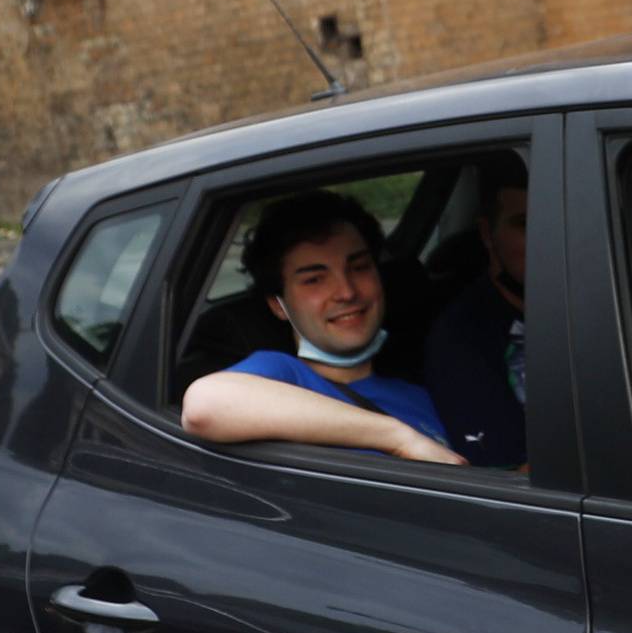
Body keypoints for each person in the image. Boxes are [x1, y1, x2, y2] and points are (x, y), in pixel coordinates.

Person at [182, 191, 462, 465]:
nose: (346, 292)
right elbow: (203, 405)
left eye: (360, 267)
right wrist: (398, 438)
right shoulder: (281, 374)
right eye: (314, 280)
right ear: (278, 305)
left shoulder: (417, 391)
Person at [423, 151, 530, 467]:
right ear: (487, 234)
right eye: (524, 224)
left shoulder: (613, 299)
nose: (547, 236)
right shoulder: (462, 338)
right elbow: (514, 482)